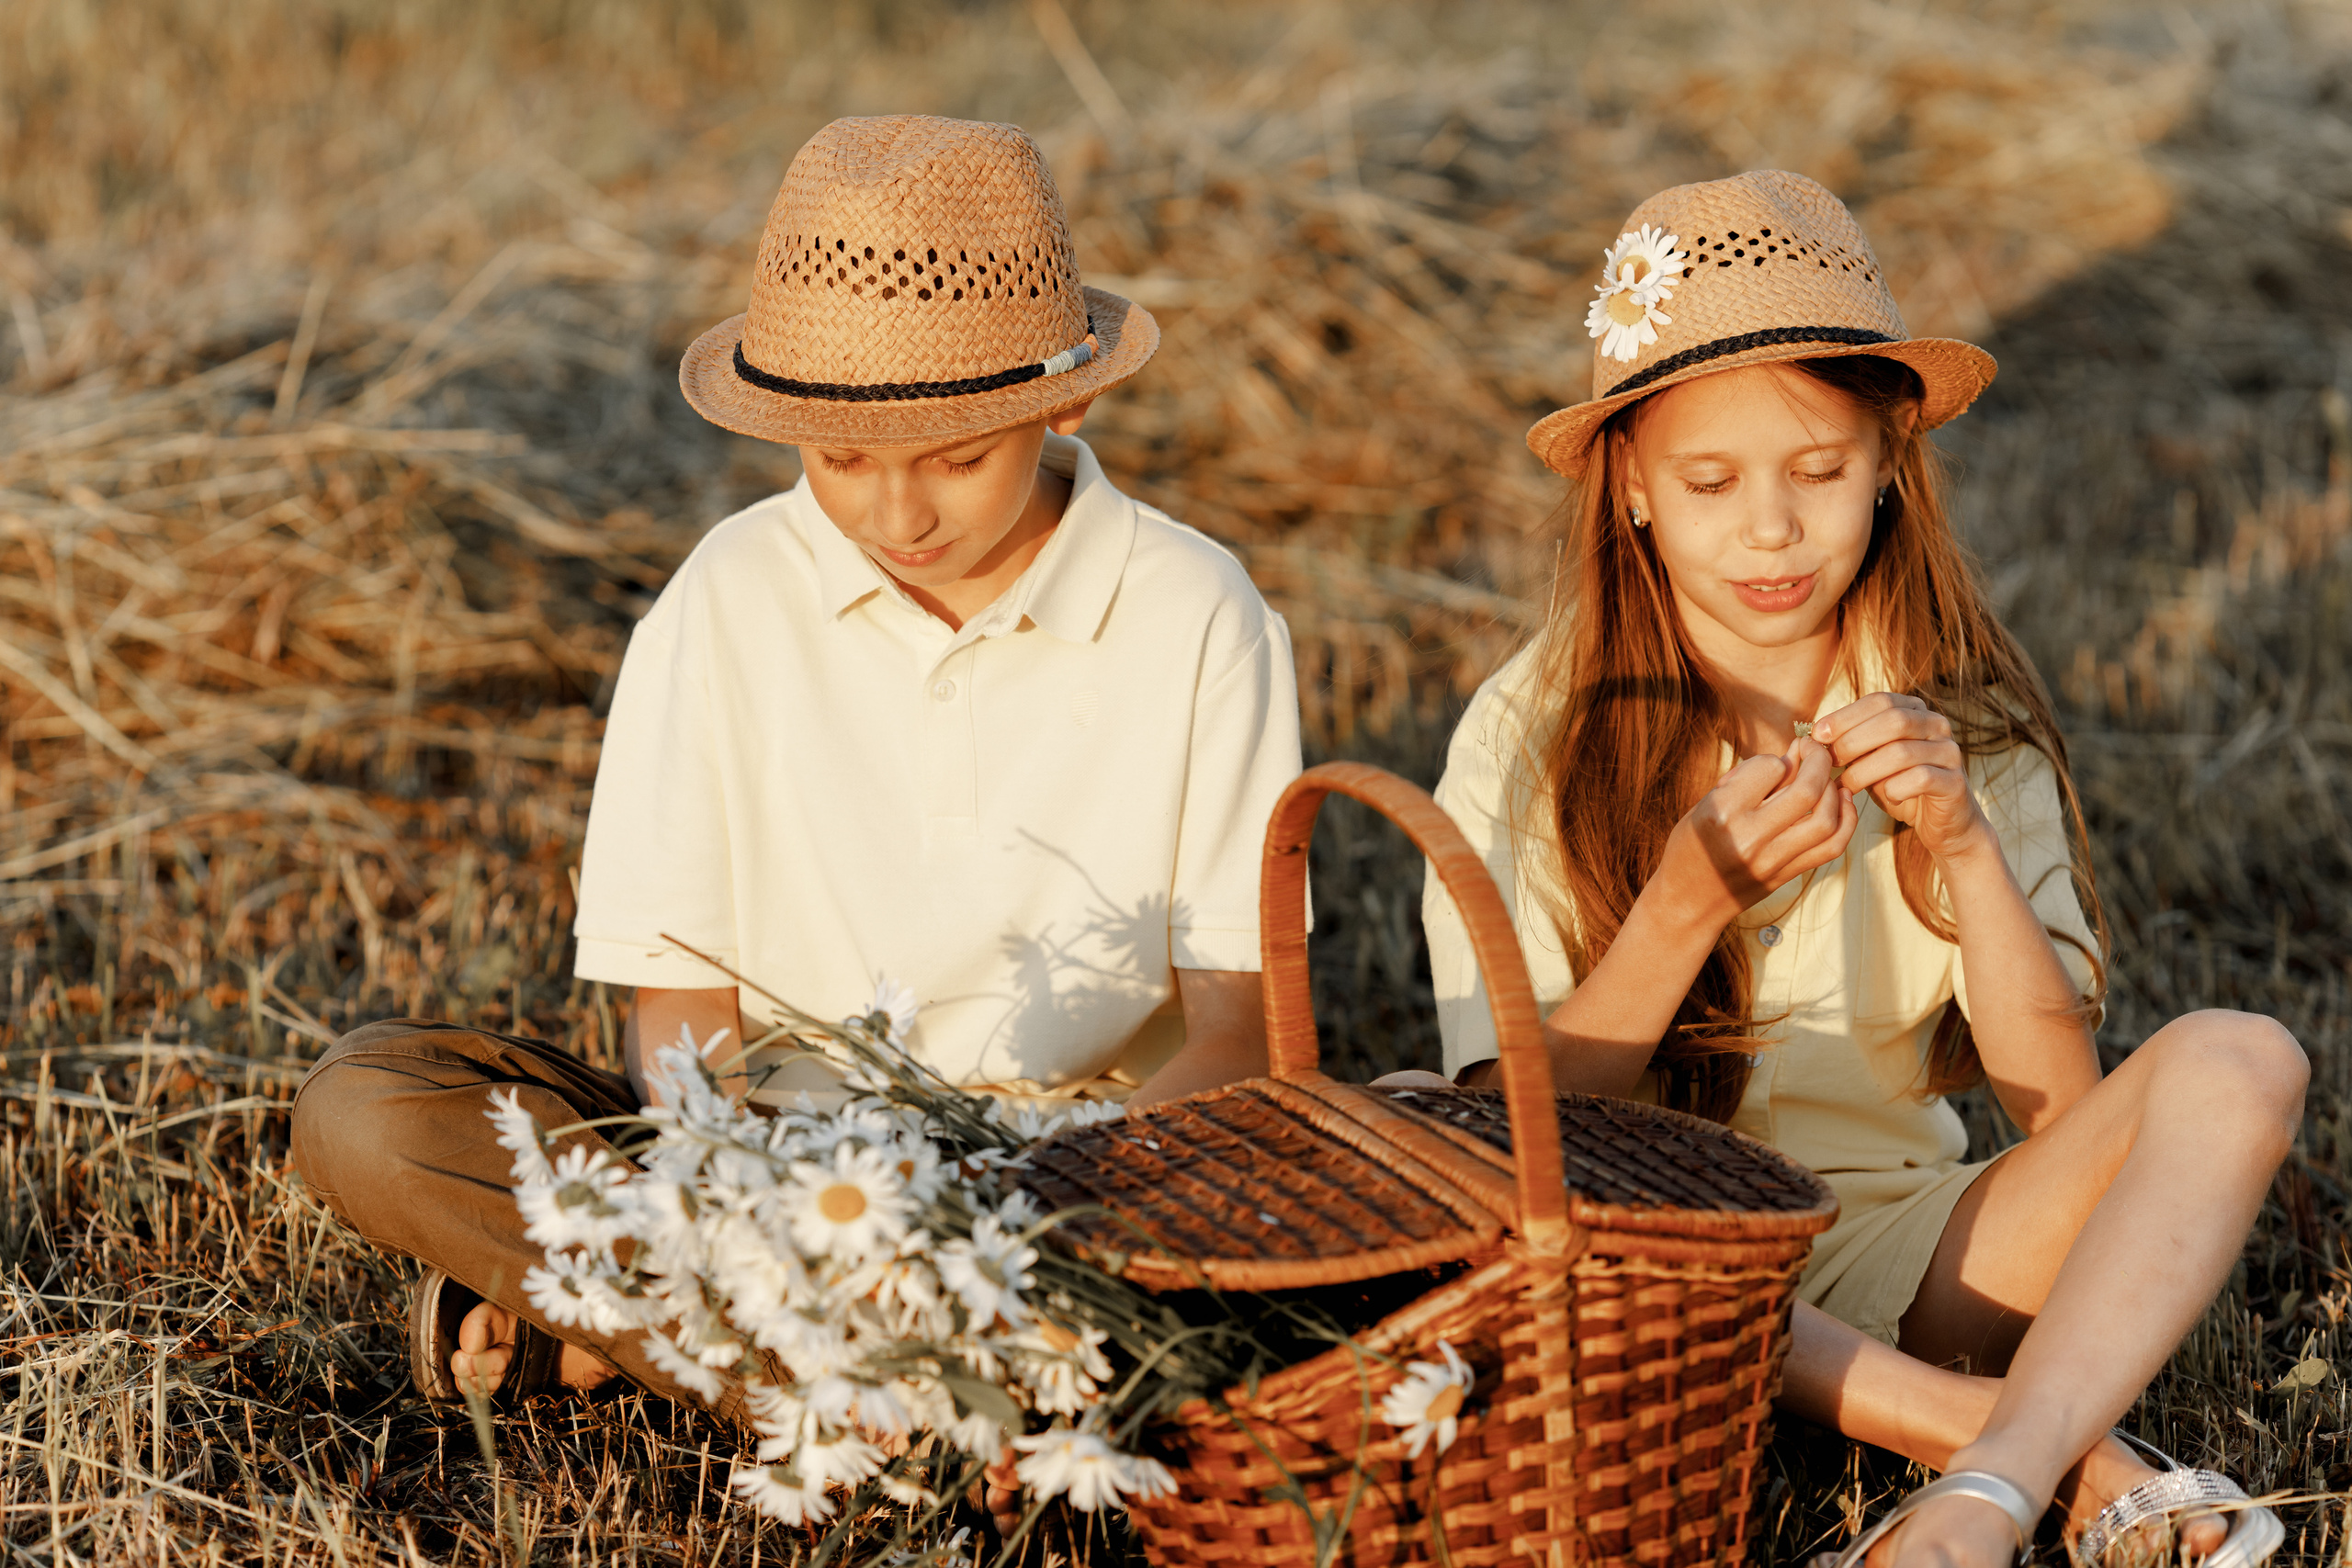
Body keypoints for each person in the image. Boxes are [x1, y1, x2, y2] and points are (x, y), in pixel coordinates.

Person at [289, 116, 1301, 1418]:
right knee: (366, 1109)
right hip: (777, 1162)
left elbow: (1242, 1028)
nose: (900, 516)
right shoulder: (721, 602)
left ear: (1071, 396)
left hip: (1096, 1167)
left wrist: (1008, 1217)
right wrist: (772, 1215)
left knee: (1360, 1174)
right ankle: (904, 1383)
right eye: (842, 462)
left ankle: (643, 1340)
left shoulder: (1197, 610)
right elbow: (681, 1020)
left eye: (959, 457)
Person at [1388, 172, 2303, 1568]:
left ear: (1888, 464)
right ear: (1630, 486)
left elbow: (2062, 1108)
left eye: (1819, 472)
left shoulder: (1955, 716)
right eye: (1711, 484)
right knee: (1438, 1146)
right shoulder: (1532, 734)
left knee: (2242, 1059)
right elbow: (1525, 1128)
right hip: (1654, 1267)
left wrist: (1966, 853)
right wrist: (1687, 902)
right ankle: (2043, 1457)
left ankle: (1975, 1498)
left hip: (1917, 1254)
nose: (1771, 529)